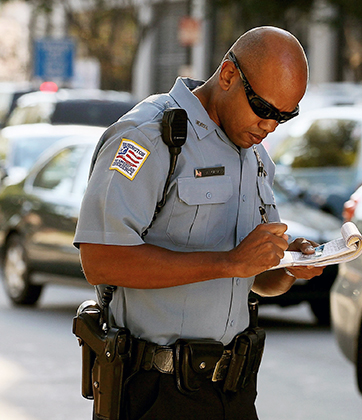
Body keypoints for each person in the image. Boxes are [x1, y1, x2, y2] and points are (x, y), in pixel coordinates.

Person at [74, 26, 323, 420]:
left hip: (232, 389)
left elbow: (256, 277)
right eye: (264, 108)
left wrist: (287, 266)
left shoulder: (254, 154)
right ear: (227, 76)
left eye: (285, 116)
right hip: (158, 391)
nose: (271, 126)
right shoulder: (150, 135)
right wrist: (228, 263)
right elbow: (100, 259)